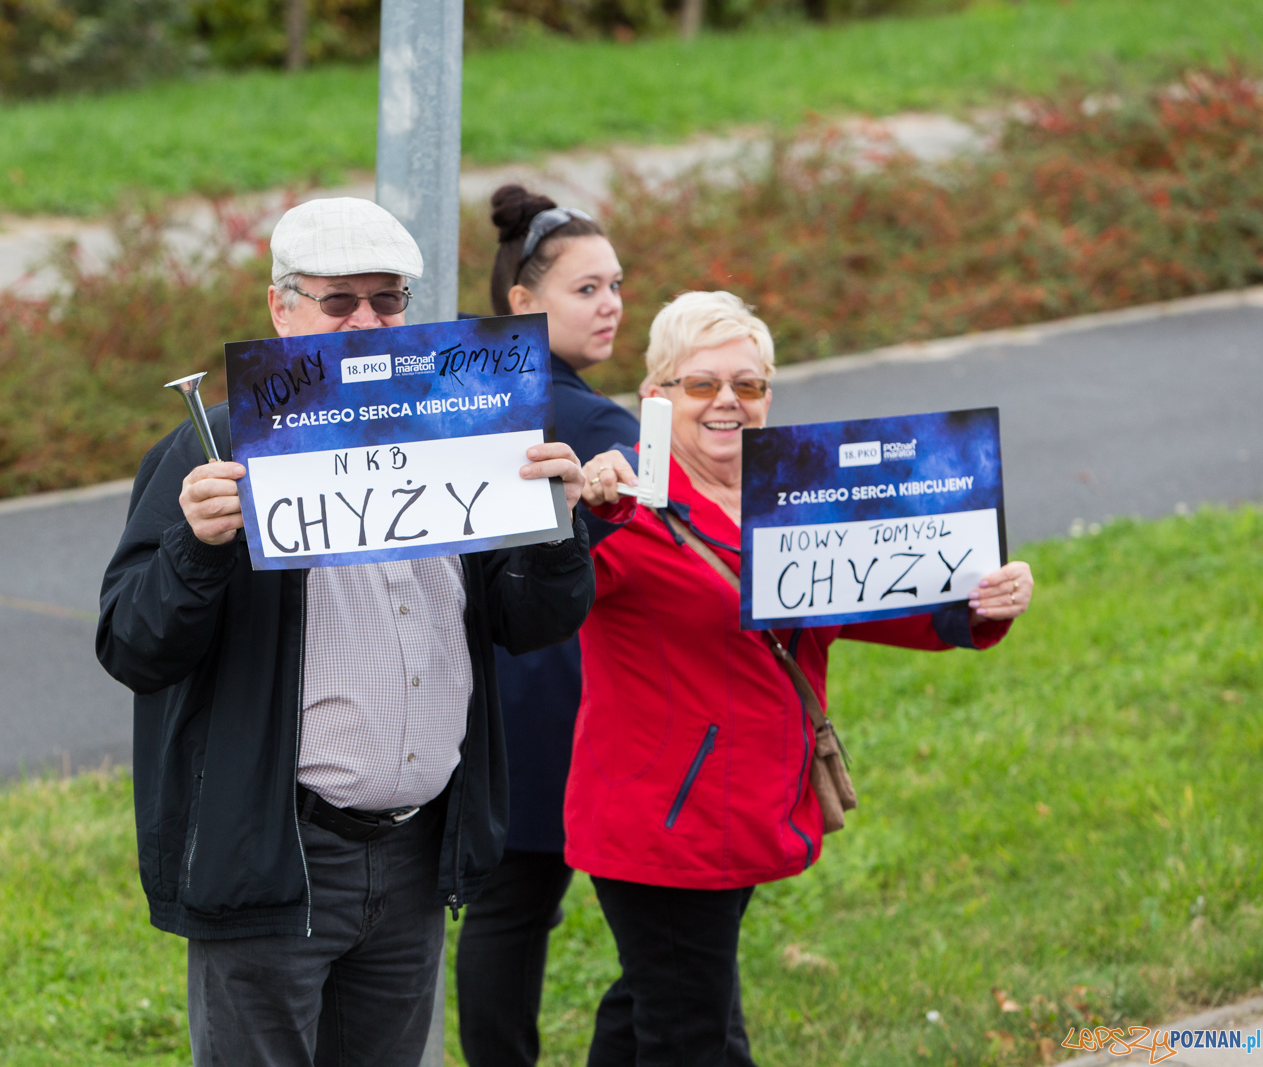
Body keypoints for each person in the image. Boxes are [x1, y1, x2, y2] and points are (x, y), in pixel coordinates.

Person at [95, 197, 597, 1067]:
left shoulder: (469, 427)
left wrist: (556, 532)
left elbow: (530, 623)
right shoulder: (206, 455)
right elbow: (133, 646)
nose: (368, 321)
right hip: (279, 856)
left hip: (414, 851)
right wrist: (195, 547)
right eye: (339, 302)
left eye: (389, 299)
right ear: (280, 309)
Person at [571, 291, 1036, 1067]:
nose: (727, 401)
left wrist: (979, 602)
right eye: (702, 384)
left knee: (656, 1003)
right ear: (655, 397)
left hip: (747, 805)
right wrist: (583, 515)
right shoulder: (630, 513)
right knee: (691, 1032)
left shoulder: (789, 498)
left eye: (747, 386)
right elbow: (549, 596)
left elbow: (877, 596)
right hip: (666, 823)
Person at [454, 185, 638, 1067]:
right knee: (668, 920)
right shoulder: (599, 422)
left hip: (488, 686)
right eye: (586, 289)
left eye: (614, 286)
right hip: (570, 695)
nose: (610, 306)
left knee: (507, 907)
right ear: (522, 304)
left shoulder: (468, 395)